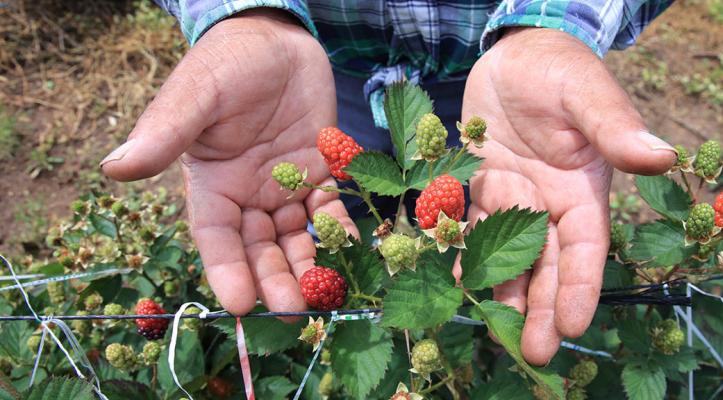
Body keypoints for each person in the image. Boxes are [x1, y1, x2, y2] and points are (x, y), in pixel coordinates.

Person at [100, 1, 677, 365]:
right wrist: (247, 16)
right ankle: (376, 259)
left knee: (464, 199)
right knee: (346, 198)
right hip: (313, 82)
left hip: (493, 79)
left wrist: (553, 24)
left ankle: (425, 284)